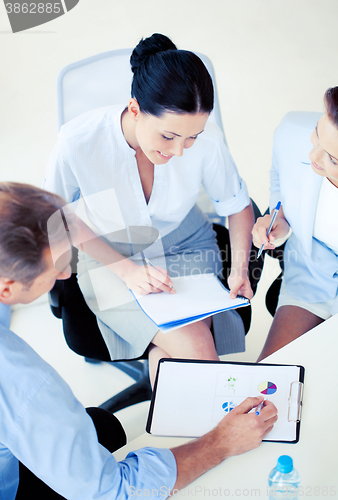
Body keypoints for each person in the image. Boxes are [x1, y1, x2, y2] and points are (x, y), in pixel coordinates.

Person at [0, 182, 278, 499]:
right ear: (7, 288)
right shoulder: (25, 386)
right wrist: (220, 443)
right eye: (56, 267)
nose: (64, 276)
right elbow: (113, 491)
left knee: (104, 427)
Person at [43, 34, 255, 384]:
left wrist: (240, 269)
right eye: (169, 136)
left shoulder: (209, 140)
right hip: (109, 254)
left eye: (192, 137)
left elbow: (236, 204)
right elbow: (57, 215)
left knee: (173, 353)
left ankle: (202, 430)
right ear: (135, 109)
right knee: (196, 343)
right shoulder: (78, 141)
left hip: (187, 244)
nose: (181, 151)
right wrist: (126, 271)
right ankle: (225, 424)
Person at [252, 87, 338, 361]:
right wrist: (282, 219)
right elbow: (280, 176)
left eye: (333, 159)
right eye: (317, 133)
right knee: (267, 380)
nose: (313, 157)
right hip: (311, 272)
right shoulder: (292, 130)